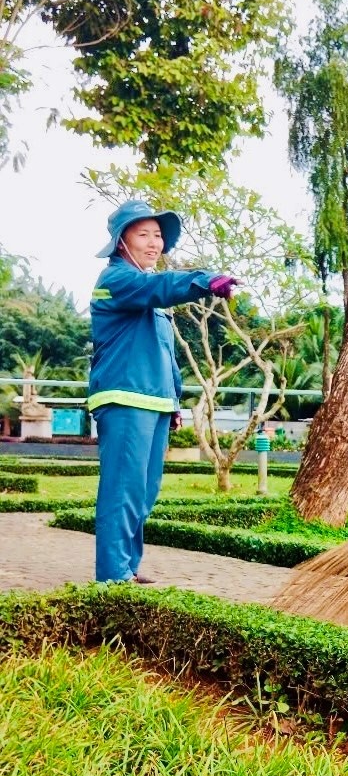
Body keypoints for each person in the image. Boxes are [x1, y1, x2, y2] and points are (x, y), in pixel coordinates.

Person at [88, 199, 237, 583]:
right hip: (123, 398)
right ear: (122, 242)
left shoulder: (149, 295)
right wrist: (205, 280)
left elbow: (166, 352)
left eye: (158, 235)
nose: (154, 243)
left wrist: (174, 400)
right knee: (123, 489)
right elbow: (158, 287)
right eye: (144, 234)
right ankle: (111, 576)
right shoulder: (116, 281)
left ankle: (127, 567)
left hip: (155, 400)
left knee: (143, 493)